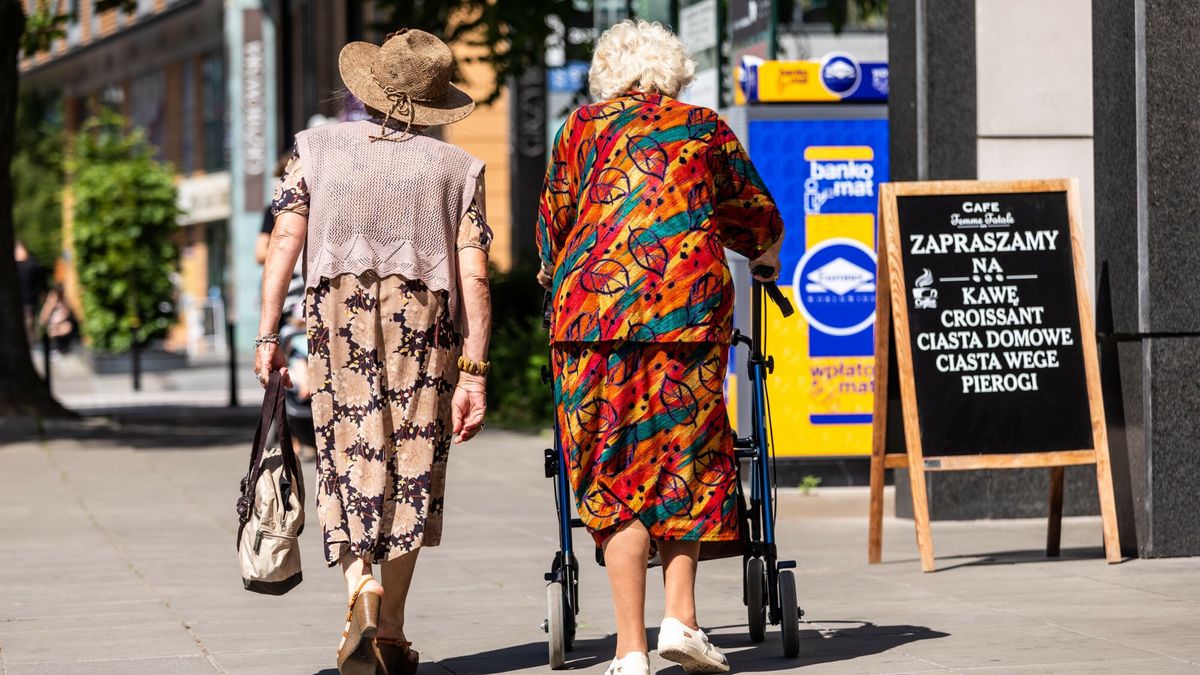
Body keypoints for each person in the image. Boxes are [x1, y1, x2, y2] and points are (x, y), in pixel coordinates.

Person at [537, 20, 784, 675]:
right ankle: (682, 618)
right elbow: (757, 219)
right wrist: (764, 260)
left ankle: (629, 651)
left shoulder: (579, 131)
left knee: (612, 474)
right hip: (685, 315)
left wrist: (557, 275)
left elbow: (552, 231)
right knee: (683, 462)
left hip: (590, 322)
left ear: (606, 72)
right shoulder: (703, 127)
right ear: (673, 71)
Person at [255, 29, 492, 675]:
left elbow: (284, 241)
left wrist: (267, 333)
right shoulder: (457, 169)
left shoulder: (316, 149)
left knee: (347, 452)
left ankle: (361, 587)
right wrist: (473, 370)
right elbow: (473, 276)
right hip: (426, 331)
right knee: (412, 464)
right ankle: (388, 629)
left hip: (338, 326)